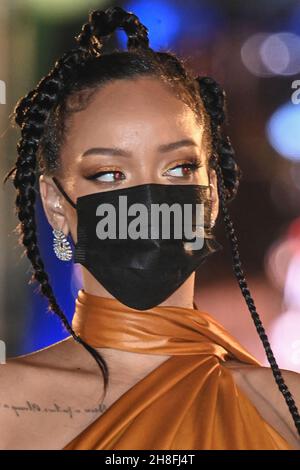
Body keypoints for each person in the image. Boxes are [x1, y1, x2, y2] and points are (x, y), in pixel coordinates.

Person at [1, 6, 300, 450]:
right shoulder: (7, 406)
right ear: (55, 205)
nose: (147, 201)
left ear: (212, 194)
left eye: (178, 168)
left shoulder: (285, 408)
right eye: (108, 174)